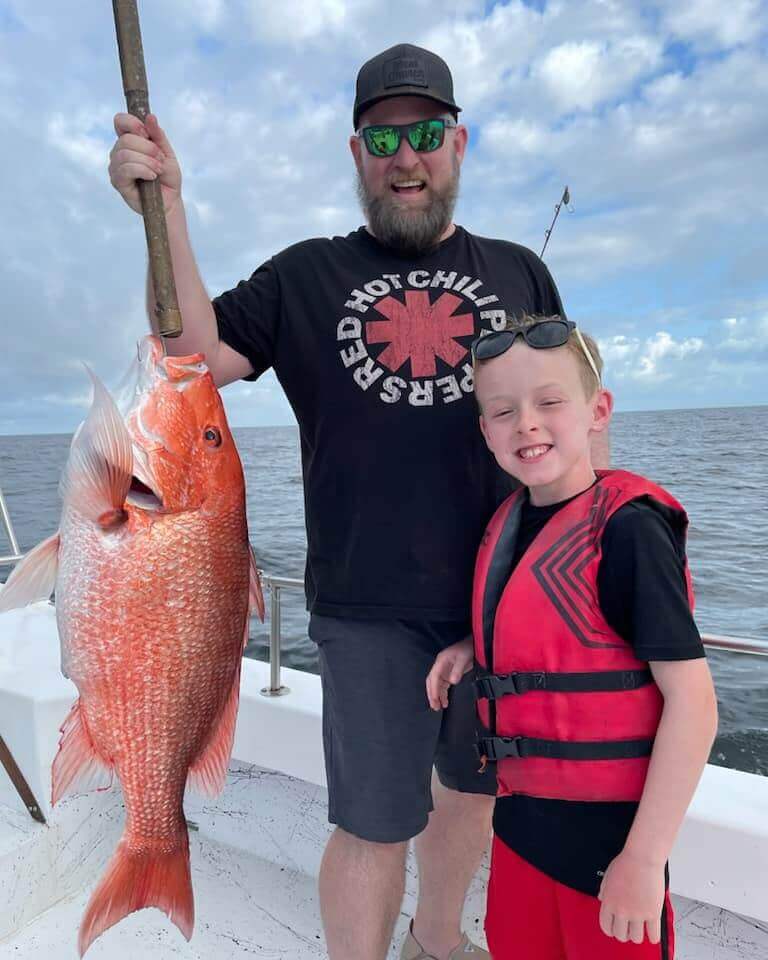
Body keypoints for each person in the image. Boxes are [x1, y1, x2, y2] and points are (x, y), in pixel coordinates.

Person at [108, 43, 566, 960]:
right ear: (356, 153)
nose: (408, 156)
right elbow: (194, 352)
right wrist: (166, 209)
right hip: (366, 609)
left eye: (427, 132)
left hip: (499, 597)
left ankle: (437, 943)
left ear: (460, 144)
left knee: (472, 795)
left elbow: (563, 428)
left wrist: (573, 568)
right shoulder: (306, 274)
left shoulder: (520, 270)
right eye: (384, 136)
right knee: (371, 824)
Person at [426, 315, 718, 959]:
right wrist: (472, 646)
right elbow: (542, 627)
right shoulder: (506, 523)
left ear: (598, 410)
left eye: (549, 402)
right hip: (521, 836)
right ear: (485, 431)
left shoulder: (629, 531)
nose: (526, 423)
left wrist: (644, 861)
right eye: (503, 411)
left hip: (610, 853)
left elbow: (694, 706)